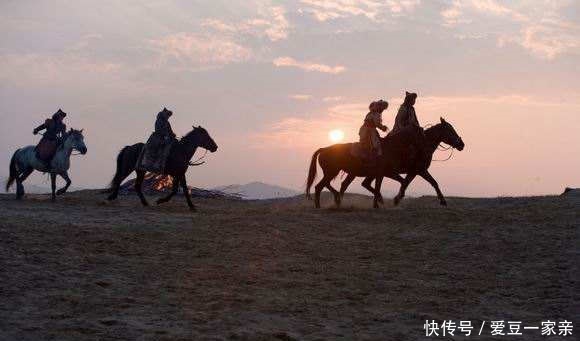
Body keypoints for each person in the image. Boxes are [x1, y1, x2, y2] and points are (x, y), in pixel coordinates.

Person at [138, 107, 177, 173]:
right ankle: (154, 164)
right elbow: (158, 129)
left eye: (169, 116)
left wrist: (172, 135)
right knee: (158, 148)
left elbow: (170, 130)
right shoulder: (159, 120)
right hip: (157, 137)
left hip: (166, 137)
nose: (168, 117)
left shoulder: (167, 122)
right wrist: (165, 135)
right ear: (164, 114)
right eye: (167, 115)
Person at [390, 91, 426, 159]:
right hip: (402, 129)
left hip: (412, 128)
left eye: (414, 99)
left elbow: (415, 120)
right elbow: (399, 121)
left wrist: (418, 127)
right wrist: (406, 127)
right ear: (409, 100)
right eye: (413, 99)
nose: (414, 101)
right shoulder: (403, 108)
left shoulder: (412, 109)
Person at [358, 99, 389, 166]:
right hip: (369, 131)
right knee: (376, 145)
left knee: (370, 144)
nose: (383, 110)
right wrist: (383, 128)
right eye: (383, 108)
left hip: (365, 130)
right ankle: (371, 161)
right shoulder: (376, 114)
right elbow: (377, 124)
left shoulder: (370, 113)